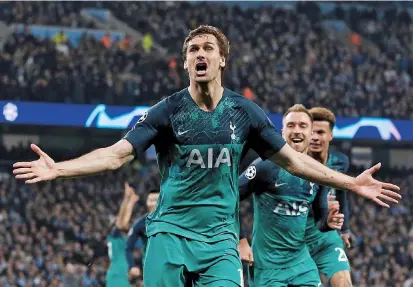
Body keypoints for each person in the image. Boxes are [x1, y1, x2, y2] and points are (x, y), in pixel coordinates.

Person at [13, 25, 401, 287]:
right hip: (169, 234)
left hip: (220, 241)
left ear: (221, 60)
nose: (200, 54)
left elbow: (294, 161)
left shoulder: (245, 113)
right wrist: (58, 169)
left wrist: (351, 183)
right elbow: (116, 156)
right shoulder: (167, 111)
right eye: (193, 50)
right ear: (186, 63)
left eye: (208, 48)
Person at [237, 105, 345, 287]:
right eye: (291, 125)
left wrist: (328, 222)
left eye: (303, 126)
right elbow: (230, 198)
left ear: (311, 134)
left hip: (301, 263)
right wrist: (240, 240)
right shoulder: (264, 166)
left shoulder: (318, 173)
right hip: (267, 267)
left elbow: (320, 220)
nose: (296, 131)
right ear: (282, 132)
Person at [306, 107, 353, 286]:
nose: (315, 137)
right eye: (311, 132)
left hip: (326, 239)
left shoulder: (340, 162)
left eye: (320, 132)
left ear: (330, 135)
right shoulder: (291, 164)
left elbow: (342, 194)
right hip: (296, 241)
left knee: (344, 283)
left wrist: (345, 229)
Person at [106, 182, 140, 287]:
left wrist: (130, 200)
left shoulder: (120, 239)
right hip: (118, 275)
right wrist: (128, 200)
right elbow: (121, 223)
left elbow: (122, 222)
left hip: (120, 274)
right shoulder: (114, 237)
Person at [126, 189, 160, 280]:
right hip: (151, 266)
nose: (153, 203)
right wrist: (132, 266)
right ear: (146, 202)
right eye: (150, 200)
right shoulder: (140, 223)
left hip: (173, 265)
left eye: (156, 200)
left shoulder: (173, 220)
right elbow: (128, 247)